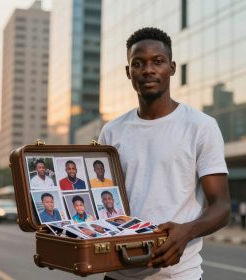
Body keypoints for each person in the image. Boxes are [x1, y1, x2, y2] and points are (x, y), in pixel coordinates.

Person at [98, 27, 230, 280]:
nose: (148, 70)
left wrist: (187, 231)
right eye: (138, 63)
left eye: (157, 61)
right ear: (129, 72)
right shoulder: (112, 131)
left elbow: (222, 206)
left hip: (179, 274)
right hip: (118, 272)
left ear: (172, 67)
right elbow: (103, 202)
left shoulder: (201, 126)